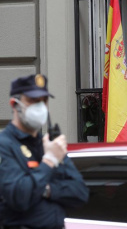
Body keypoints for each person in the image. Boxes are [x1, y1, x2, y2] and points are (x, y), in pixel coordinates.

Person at [0, 74, 89, 229]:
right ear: (15, 104)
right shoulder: (5, 145)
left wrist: (47, 190)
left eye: (44, 101)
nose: (40, 106)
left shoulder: (48, 144)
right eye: (33, 101)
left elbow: (80, 193)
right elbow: (19, 197)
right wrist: (48, 161)